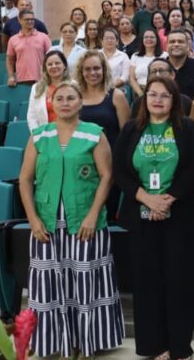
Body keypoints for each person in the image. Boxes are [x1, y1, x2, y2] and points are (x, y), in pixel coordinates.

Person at [18, 80, 124, 360]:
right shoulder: (39, 136)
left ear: (80, 103)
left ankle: (87, 344)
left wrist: (92, 215)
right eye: (60, 98)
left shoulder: (94, 134)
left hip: (85, 223)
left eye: (71, 98)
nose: (65, 102)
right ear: (51, 102)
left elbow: (107, 176)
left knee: (85, 283)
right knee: (53, 285)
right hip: (47, 226)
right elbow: (25, 179)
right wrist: (33, 218)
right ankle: (63, 344)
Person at [113, 75, 194, 360]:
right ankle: (155, 345)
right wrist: (146, 198)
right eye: (152, 94)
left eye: (164, 95)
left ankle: (181, 346)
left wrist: (167, 199)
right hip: (141, 215)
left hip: (179, 214)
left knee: (178, 281)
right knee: (148, 282)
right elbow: (120, 171)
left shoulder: (187, 128)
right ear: (144, 99)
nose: (157, 100)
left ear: (174, 100)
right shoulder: (131, 129)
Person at [75, 50, 130, 218]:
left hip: (110, 166)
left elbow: (126, 136)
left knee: (108, 214)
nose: (93, 73)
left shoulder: (116, 96)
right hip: (81, 166)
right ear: (81, 72)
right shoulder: (75, 97)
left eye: (97, 68)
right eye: (88, 69)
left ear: (104, 70)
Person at [27, 50, 71, 131]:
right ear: (45, 68)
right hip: (45, 136)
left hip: (70, 133)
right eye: (50, 64)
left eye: (57, 63)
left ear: (64, 65)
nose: (54, 66)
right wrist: (37, 135)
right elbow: (31, 116)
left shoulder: (73, 86)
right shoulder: (36, 88)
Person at [6, 9, 52, 86]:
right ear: (19, 21)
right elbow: (10, 60)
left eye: (32, 19)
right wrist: (11, 76)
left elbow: (51, 57)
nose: (30, 21)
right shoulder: (13, 39)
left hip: (41, 79)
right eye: (27, 19)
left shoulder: (44, 37)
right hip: (21, 80)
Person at [165, 29, 194, 98]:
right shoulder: (159, 68)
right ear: (166, 47)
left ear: (187, 47)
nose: (176, 44)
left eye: (180, 42)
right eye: (172, 42)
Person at [129, 28, 167, 99]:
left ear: (157, 40)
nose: (149, 39)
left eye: (152, 37)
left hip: (160, 91)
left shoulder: (165, 55)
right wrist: (140, 93)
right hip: (139, 91)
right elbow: (132, 78)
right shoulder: (135, 56)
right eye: (146, 37)